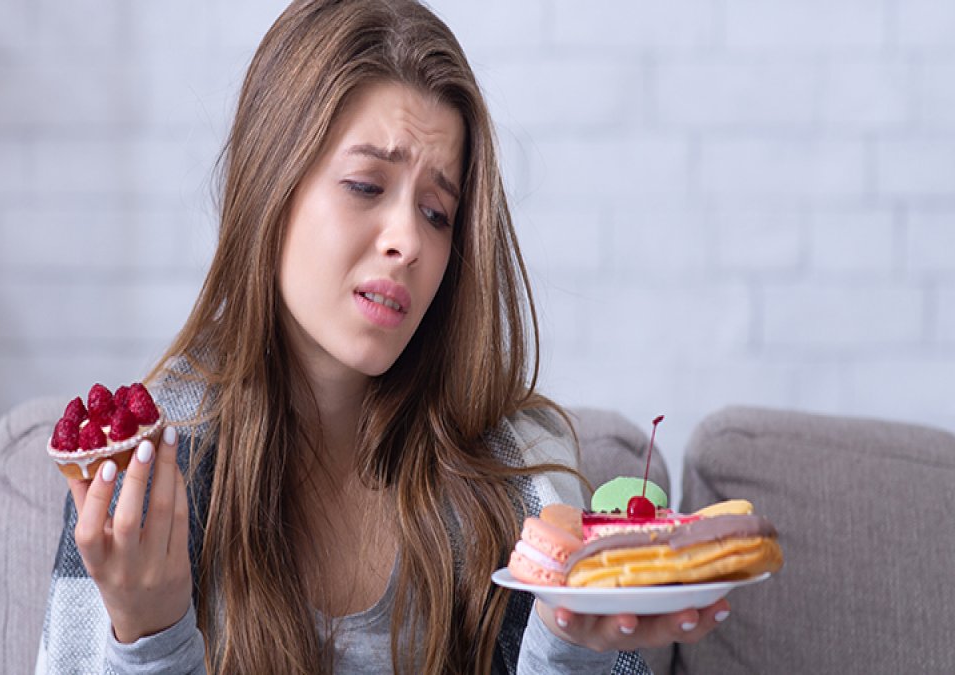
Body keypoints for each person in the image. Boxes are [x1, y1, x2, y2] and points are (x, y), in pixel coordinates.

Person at [37, 1, 729, 673]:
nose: (409, 242)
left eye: (436, 211)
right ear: (270, 186)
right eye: (367, 185)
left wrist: (568, 649)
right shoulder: (153, 468)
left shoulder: (519, 467)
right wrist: (150, 637)